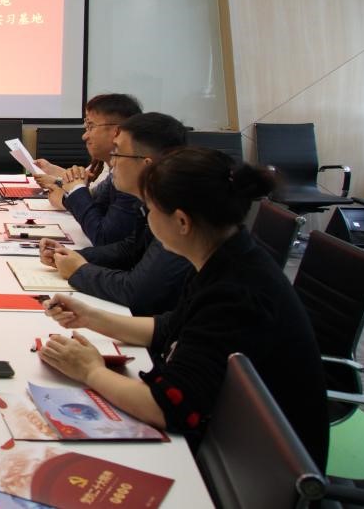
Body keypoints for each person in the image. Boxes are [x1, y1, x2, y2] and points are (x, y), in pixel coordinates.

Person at [37, 147, 328, 468]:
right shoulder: (225, 255)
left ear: (182, 221)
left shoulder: (235, 292)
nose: (146, 220)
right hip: (236, 438)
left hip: (256, 467)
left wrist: (90, 371)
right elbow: (172, 327)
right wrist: (90, 317)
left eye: (149, 210)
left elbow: (168, 407)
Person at [38, 112, 193, 316]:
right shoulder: (155, 201)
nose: (112, 163)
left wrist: (79, 270)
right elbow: (130, 248)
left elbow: (137, 292)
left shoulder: (178, 213)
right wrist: (71, 256)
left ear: (146, 165)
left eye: (118, 153)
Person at [34, 93, 143, 246]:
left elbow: (103, 237)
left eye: (91, 127)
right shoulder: (114, 172)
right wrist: (70, 194)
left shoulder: (132, 176)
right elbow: (96, 204)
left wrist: (75, 189)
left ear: (118, 132)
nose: (84, 136)